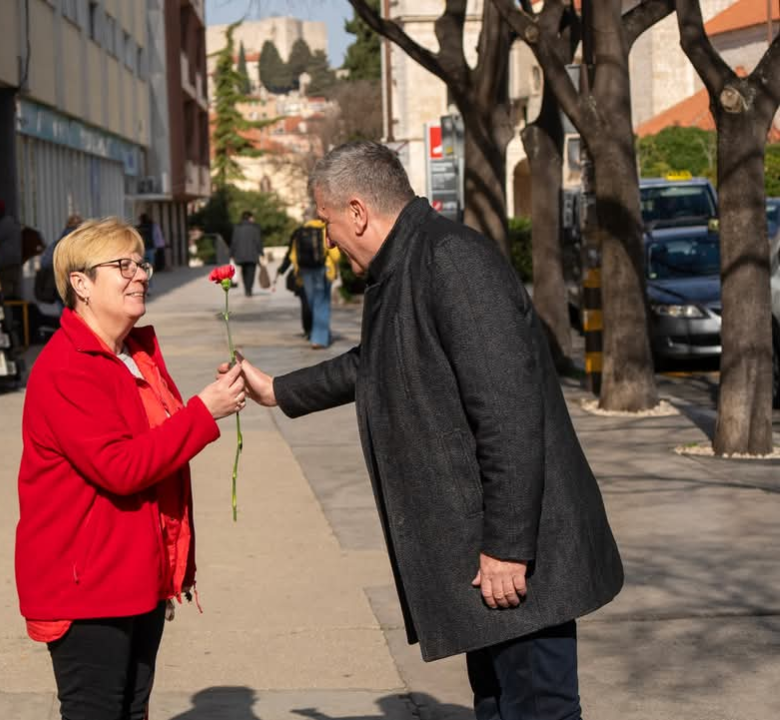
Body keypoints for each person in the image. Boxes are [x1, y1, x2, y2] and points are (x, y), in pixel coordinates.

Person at [230, 141, 623, 720]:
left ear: (358, 211)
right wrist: (279, 391)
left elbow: (508, 414)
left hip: (516, 557)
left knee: (538, 707)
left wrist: (508, 548)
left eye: (328, 221)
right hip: (484, 549)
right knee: (497, 702)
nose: (329, 238)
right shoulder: (408, 261)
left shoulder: (449, 261)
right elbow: (377, 360)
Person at [15, 217, 247, 720]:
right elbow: (120, 467)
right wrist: (204, 412)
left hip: (140, 570)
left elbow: (161, 442)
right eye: (121, 265)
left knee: (133, 710)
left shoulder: (134, 354)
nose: (139, 274)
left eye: (140, 262)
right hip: (87, 583)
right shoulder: (67, 368)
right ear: (80, 283)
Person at [290, 217, 340, 350]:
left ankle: (321, 334)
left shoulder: (300, 231)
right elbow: (335, 256)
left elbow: (293, 256)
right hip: (323, 270)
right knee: (322, 304)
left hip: (305, 271)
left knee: (313, 303)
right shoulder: (324, 230)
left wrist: (297, 273)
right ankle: (319, 340)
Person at [0, 198, 22, 299]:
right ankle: (16, 314)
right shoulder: (10, 222)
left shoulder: (4, 224)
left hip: (6, 266)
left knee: (5, 296)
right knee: (12, 295)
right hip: (11, 264)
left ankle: (9, 315)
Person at [230, 211, 263, 297]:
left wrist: (232, 253)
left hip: (240, 255)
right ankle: (249, 289)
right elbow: (258, 242)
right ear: (249, 218)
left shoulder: (237, 228)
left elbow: (234, 242)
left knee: (244, 272)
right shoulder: (255, 228)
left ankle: (246, 288)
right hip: (252, 254)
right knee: (251, 272)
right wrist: (261, 252)